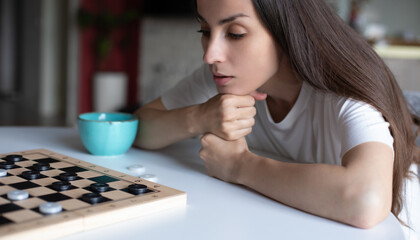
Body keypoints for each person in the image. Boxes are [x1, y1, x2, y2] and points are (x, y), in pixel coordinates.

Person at [134, 0, 420, 239]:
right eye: (205, 30)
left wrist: (238, 166)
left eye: (235, 33)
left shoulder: (344, 94)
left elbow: (366, 199)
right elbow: (137, 128)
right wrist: (197, 117)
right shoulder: (222, 78)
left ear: (286, 33)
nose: (210, 54)